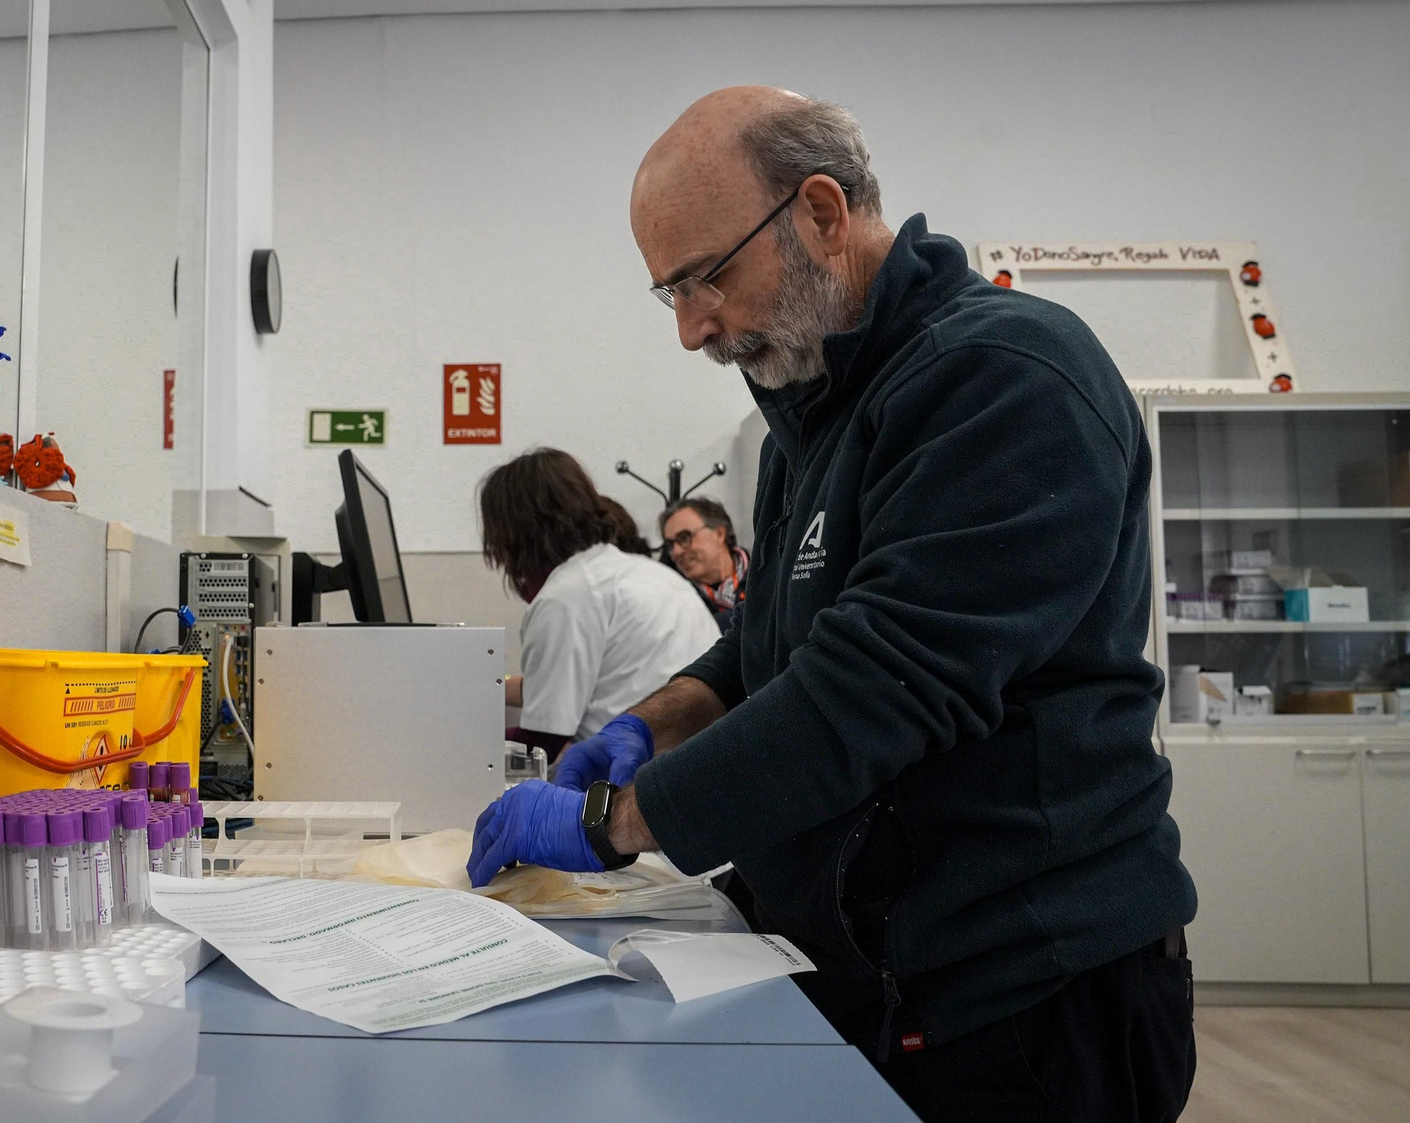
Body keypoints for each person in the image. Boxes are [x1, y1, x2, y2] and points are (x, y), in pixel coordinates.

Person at [465, 88, 1196, 1123]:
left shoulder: (1001, 377)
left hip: (1022, 996)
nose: (689, 329)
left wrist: (613, 821)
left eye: (704, 277)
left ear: (818, 211)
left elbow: (877, 687)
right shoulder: (807, 414)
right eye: (667, 293)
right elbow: (767, 646)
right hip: (873, 974)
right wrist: (647, 722)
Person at [481, 449, 718, 757]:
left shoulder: (566, 596)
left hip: (637, 781)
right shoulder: (650, 574)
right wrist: (485, 682)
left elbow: (542, 742)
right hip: (702, 767)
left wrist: (460, 739)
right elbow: (556, 686)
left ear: (514, 532)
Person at [658, 495, 748, 625]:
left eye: (684, 537)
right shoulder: (672, 599)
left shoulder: (770, 571)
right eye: (670, 544)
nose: (676, 552)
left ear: (719, 533)